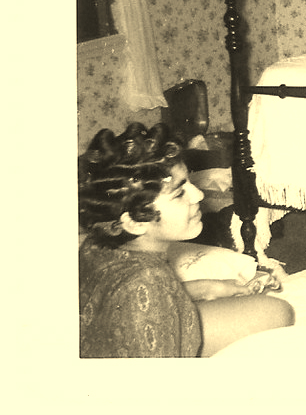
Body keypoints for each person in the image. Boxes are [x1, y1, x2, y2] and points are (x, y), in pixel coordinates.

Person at [78, 123, 293, 357]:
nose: (198, 194)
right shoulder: (149, 280)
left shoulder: (96, 243)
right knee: (279, 314)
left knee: (275, 311)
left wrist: (212, 287)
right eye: (179, 193)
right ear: (134, 222)